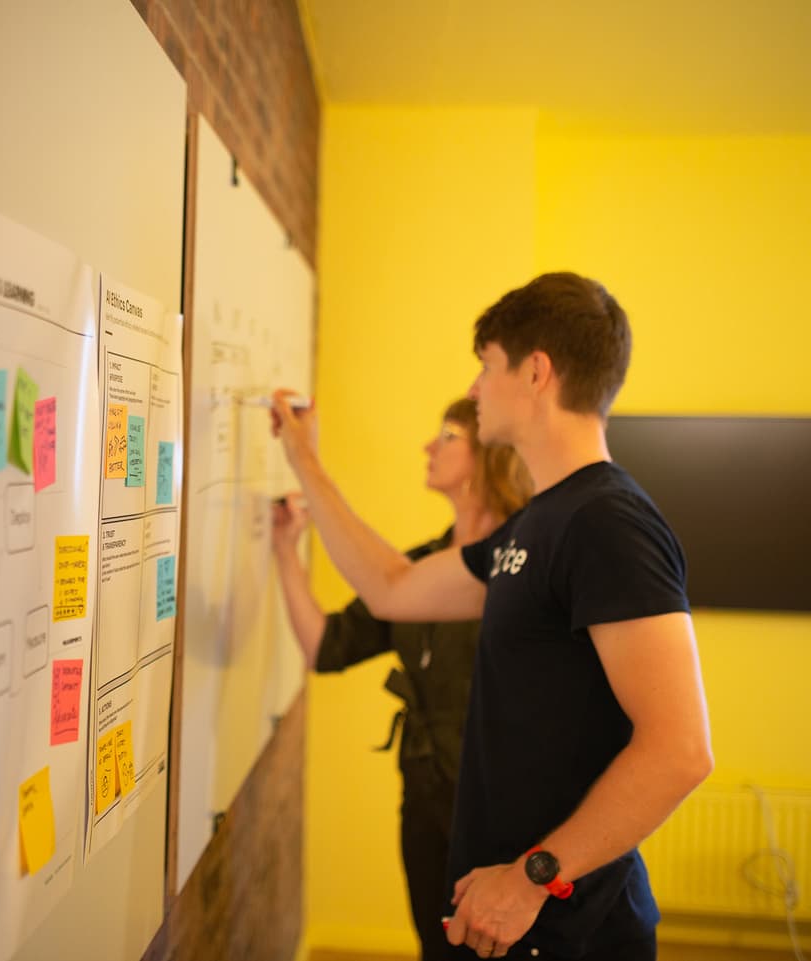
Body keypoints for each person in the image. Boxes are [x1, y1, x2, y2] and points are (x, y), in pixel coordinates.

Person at [270, 272, 713, 960]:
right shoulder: (538, 522)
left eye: (486, 365)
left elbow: (680, 749)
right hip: (503, 920)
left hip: (571, 931)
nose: (475, 387)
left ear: (535, 372)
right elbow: (392, 586)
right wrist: (302, 455)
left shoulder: (610, 522)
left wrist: (534, 877)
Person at [272, 397, 531, 961]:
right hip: (423, 800)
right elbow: (325, 645)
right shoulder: (421, 569)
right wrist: (284, 550)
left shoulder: (524, 565)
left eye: (448, 435)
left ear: (489, 454)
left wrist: (306, 459)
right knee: (436, 946)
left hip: (500, 816)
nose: (428, 446)